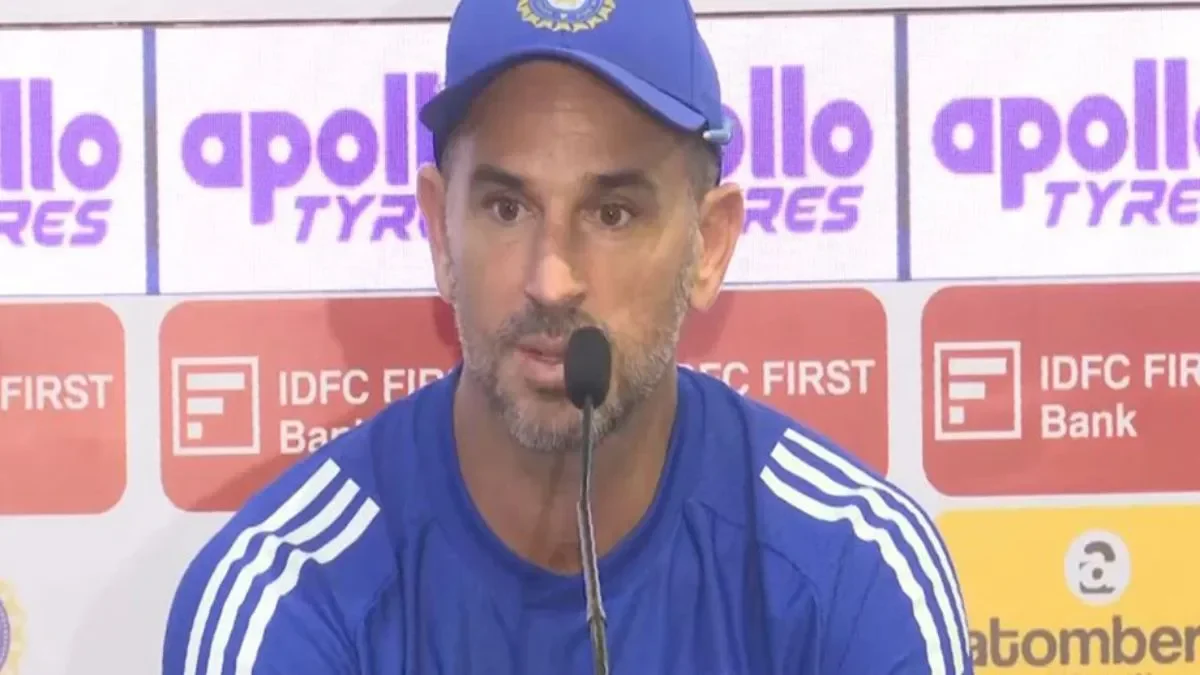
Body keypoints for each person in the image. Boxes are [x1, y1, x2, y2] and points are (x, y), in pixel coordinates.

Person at [162, 0, 975, 672]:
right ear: (440, 234)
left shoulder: (853, 569)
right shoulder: (291, 594)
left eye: (612, 213)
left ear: (709, 245)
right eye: (506, 207)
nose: (551, 280)